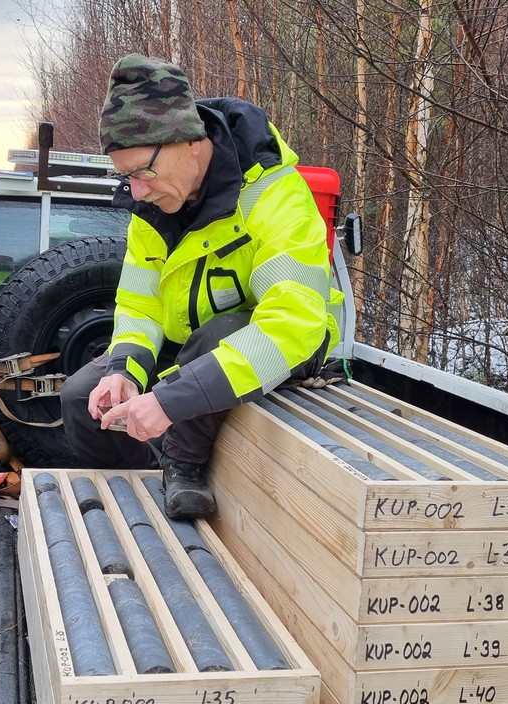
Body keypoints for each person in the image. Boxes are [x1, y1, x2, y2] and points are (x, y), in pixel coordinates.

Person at [61, 54, 342, 519]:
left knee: (219, 334)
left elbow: (291, 325)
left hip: (283, 347)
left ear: (190, 141)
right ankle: (142, 499)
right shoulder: (151, 210)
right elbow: (139, 306)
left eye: (143, 172)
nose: (137, 192)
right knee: (80, 399)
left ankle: (181, 461)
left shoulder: (274, 197)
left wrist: (169, 401)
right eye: (126, 177)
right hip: (190, 348)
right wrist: (125, 371)